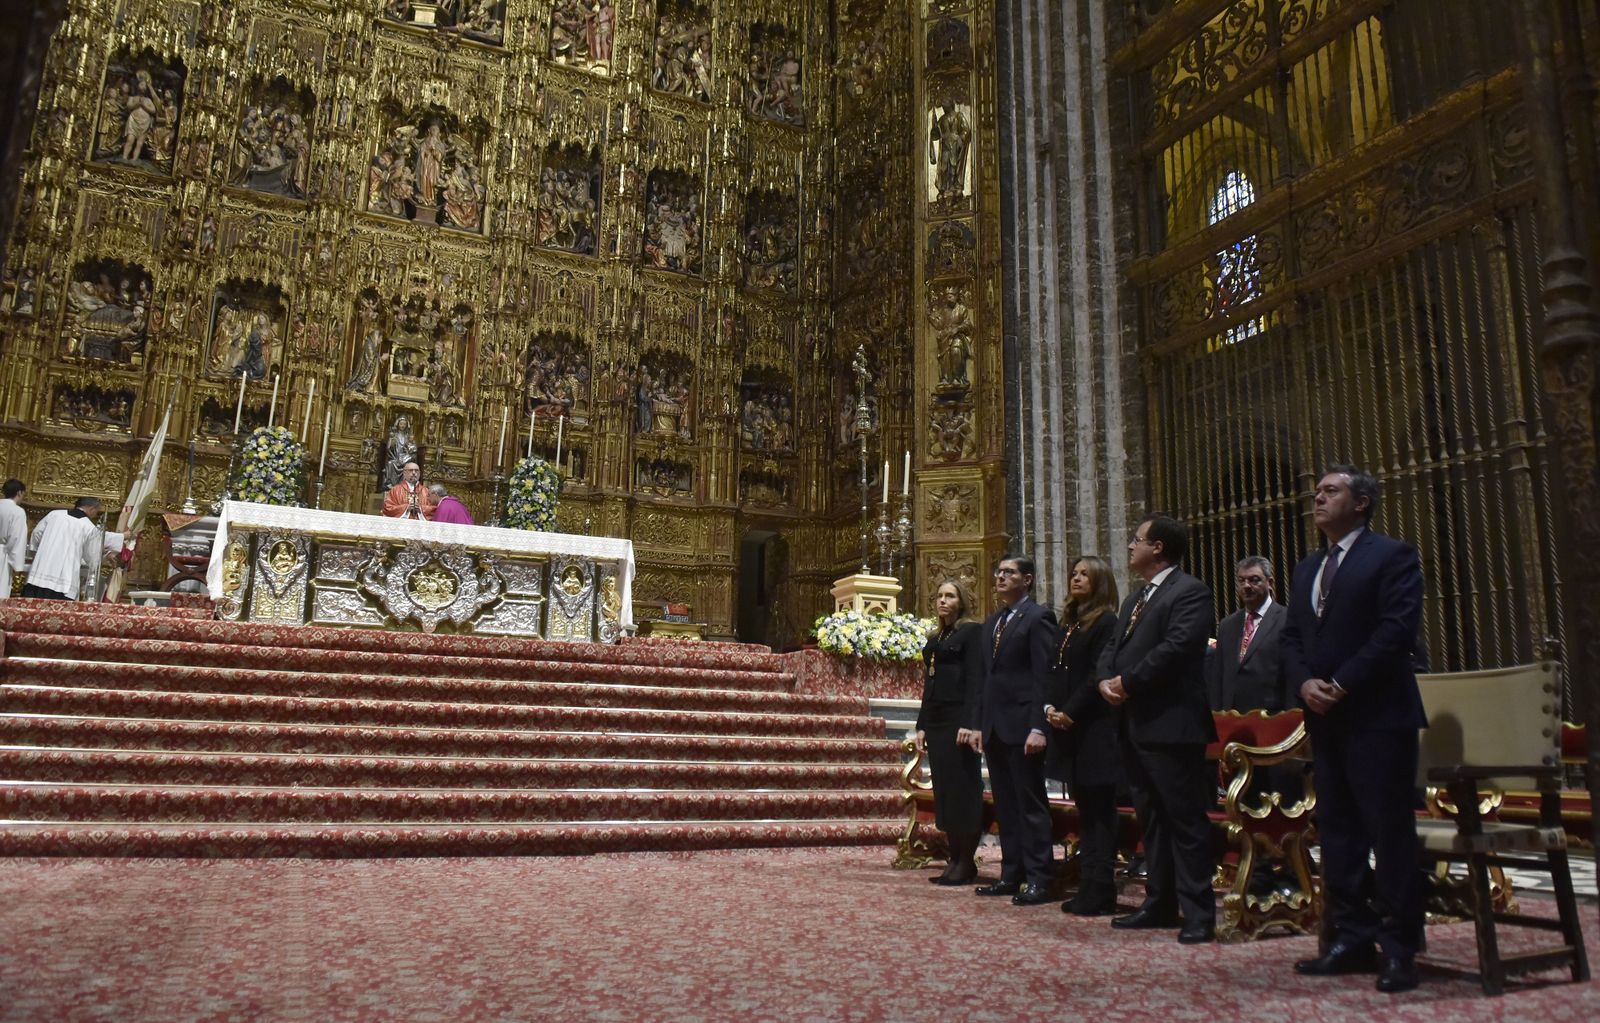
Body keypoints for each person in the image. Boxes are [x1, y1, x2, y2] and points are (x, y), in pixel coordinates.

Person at [1283, 465, 1426, 994]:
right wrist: (1304, 686)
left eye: (1330, 491)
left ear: (1361, 503)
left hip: (1378, 715)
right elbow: (1293, 637)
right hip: (1324, 717)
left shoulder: (1392, 555)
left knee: (1389, 833)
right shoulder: (1307, 568)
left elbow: (1396, 631)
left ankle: (1400, 947)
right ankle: (1352, 938)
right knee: (1339, 830)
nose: (1317, 498)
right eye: (1316, 492)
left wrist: (1340, 683)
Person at [1097, 514, 1217, 943]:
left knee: (1183, 820)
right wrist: (1104, 680)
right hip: (1134, 723)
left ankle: (1199, 912)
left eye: (1137, 539)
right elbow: (1113, 647)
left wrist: (1126, 683)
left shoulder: (1191, 592)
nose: (1130, 545)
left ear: (1159, 548)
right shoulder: (1134, 599)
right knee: (1152, 821)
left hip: (1171, 724)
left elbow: (1178, 648)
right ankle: (1159, 902)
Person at [967, 556, 1059, 906]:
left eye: (1009, 573)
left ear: (1028, 580)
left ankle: (1040, 877)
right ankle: (1012, 873)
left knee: (1030, 804)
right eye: (999, 571)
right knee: (1005, 804)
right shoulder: (992, 622)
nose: (1001, 576)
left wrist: (1039, 725)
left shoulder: (1038, 617)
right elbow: (984, 680)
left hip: (1023, 726)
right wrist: (978, 722)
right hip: (995, 726)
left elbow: (1043, 676)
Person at [1043, 556, 1122, 916]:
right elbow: (1056, 671)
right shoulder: (1070, 622)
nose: (1076, 578)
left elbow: (1096, 674)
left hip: (1094, 729)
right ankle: (1088, 881)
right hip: (1069, 727)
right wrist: (1050, 708)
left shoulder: (1106, 622)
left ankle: (1102, 885)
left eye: (1084, 575)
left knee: (1100, 813)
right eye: (1073, 573)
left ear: (1100, 581)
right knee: (1085, 811)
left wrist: (1070, 711)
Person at [915, 578, 986, 887]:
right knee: (944, 790)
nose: (943, 600)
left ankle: (966, 861)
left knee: (962, 790)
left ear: (962, 601)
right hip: (937, 719)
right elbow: (929, 683)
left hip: (959, 718)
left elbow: (975, 681)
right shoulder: (938, 635)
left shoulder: (972, 632)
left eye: (950, 596)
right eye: (940, 595)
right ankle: (954, 857)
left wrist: (971, 722)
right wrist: (921, 724)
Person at [1207, 556, 1290, 713]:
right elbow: (1218, 676)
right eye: (1241, 580)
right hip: (1231, 714)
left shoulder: (1286, 620)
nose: (1246, 586)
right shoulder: (1227, 625)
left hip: (1272, 713)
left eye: (1254, 580)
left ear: (1270, 583)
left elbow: (1292, 673)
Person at [24, 496, 119, 600]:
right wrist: (105, 555)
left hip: (40, 573)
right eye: (96, 511)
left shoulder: (54, 514)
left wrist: (41, 551)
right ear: (92, 508)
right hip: (64, 581)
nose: (95, 515)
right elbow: (92, 555)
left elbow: (37, 534)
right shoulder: (88, 526)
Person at [0, 479, 27, 598]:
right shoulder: (17, 511)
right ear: (19, 493)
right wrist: (17, 566)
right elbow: (16, 538)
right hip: (2, 553)